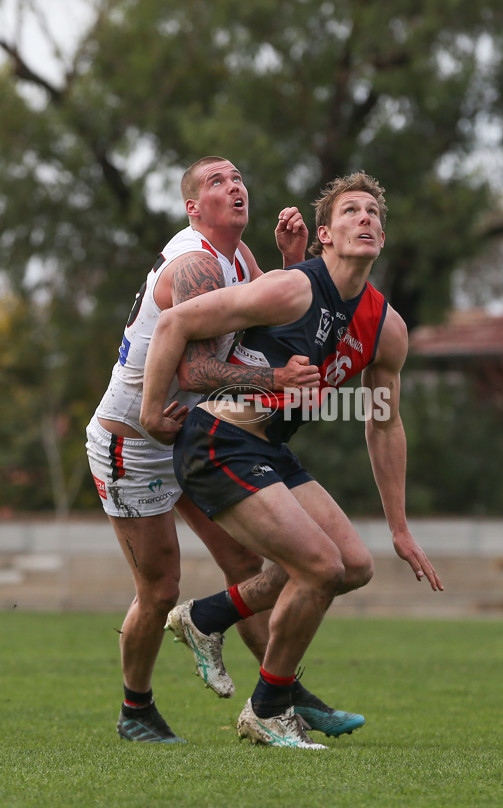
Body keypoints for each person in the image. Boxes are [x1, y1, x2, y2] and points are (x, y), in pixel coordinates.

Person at [140, 171, 444, 749]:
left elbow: (383, 422)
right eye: (352, 212)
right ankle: (269, 708)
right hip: (219, 440)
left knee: (353, 565)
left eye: (374, 214)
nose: (367, 219)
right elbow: (178, 322)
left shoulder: (388, 328)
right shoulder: (292, 290)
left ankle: (206, 616)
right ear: (325, 235)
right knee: (321, 569)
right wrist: (154, 411)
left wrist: (401, 530)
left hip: (269, 448)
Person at [85, 156, 360, 744]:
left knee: (250, 566)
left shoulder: (237, 256)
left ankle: (281, 691)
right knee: (159, 590)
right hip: (134, 442)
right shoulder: (194, 265)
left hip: (186, 429)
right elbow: (199, 366)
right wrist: (276, 383)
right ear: (192, 208)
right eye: (217, 182)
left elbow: (268, 318)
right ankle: (136, 709)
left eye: (238, 177)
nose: (234, 186)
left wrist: (291, 262)